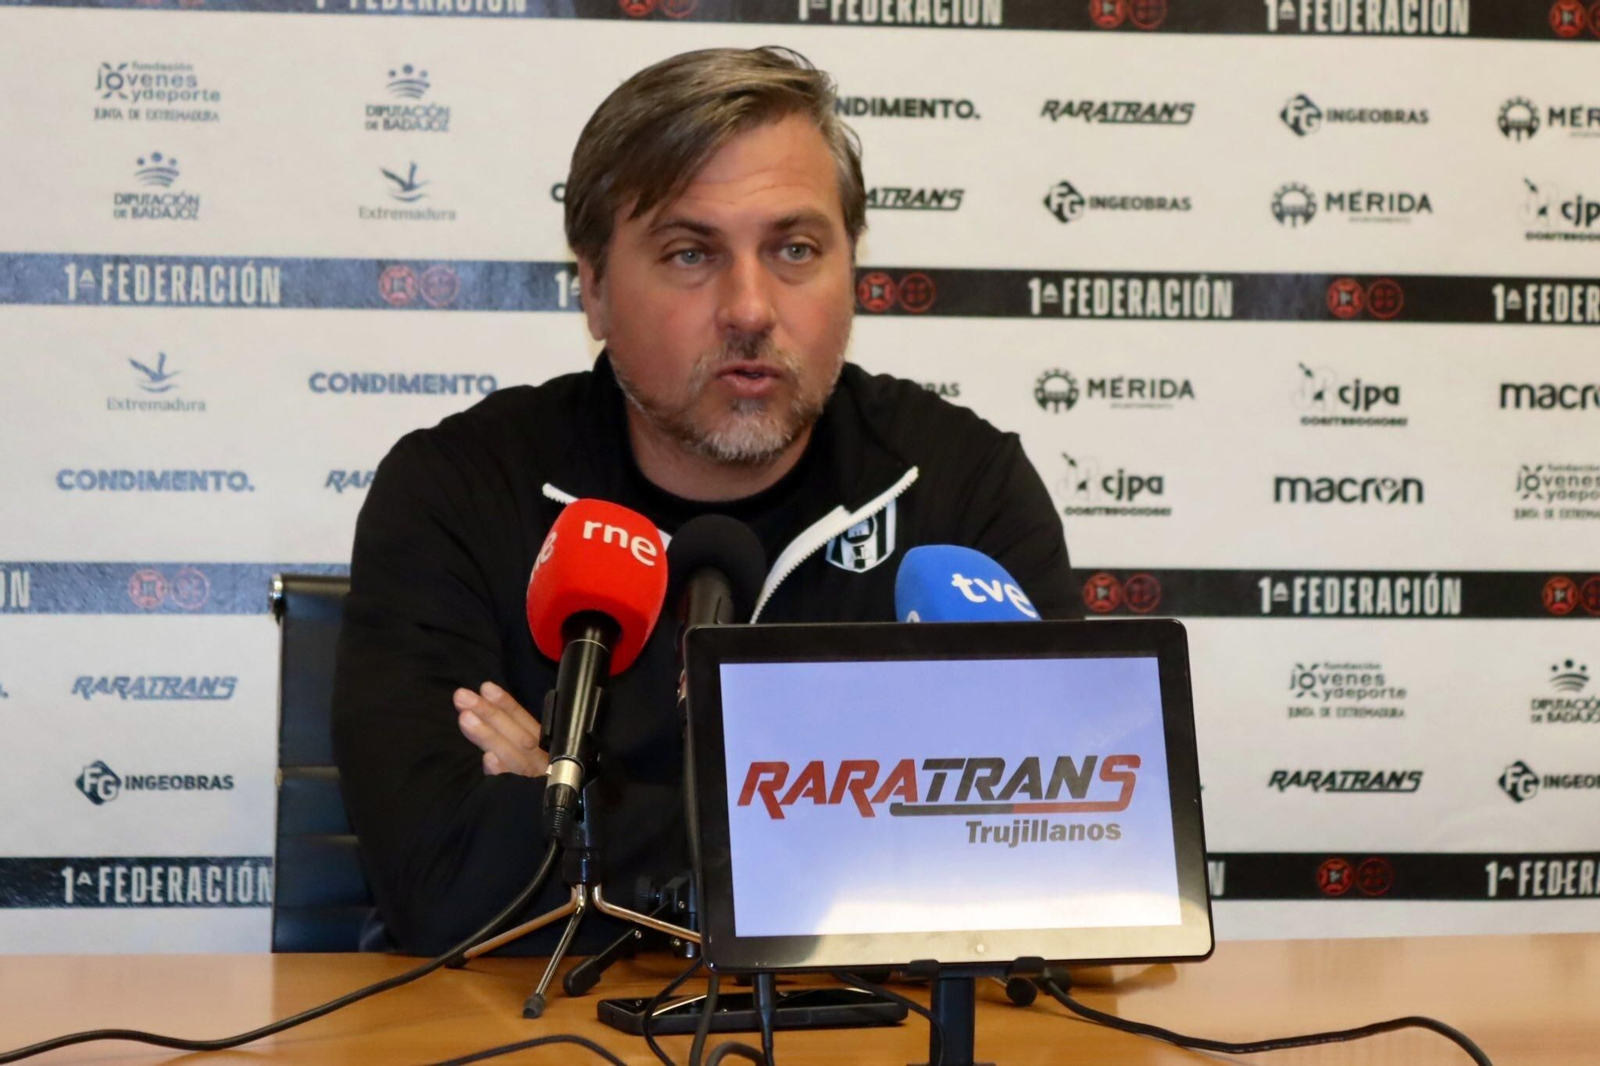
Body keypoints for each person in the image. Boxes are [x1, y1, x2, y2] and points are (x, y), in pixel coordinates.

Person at [332, 46, 1076, 957]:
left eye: (795, 249)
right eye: (691, 254)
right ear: (595, 289)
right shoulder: (457, 491)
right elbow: (443, 881)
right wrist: (875, 814)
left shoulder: (962, 488)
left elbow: (1057, 855)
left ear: (853, 271)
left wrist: (571, 808)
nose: (751, 308)